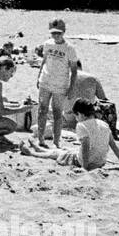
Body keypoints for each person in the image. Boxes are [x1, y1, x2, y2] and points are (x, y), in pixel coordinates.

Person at [22, 98, 119, 171]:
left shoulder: (82, 126)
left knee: (56, 154)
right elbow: (114, 146)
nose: (76, 119)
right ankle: (39, 148)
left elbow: (85, 147)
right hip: (100, 162)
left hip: (86, 162)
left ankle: (33, 153)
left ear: (80, 114)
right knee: (65, 150)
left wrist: (85, 169)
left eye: (76, 116)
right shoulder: (104, 124)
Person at [35, 18, 78, 149]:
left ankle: (56, 141)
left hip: (60, 83)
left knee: (57, 113)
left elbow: (74, 70)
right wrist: (38, 77)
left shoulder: (69, 48)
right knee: (42, 110)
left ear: (64, 32)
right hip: (46, 81)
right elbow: (44, 61)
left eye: (58, 33)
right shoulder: (47, 44)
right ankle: (41, 138)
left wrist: (71, 88)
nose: (56, 36)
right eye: (53, 33)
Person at [62, 60, 108, 130]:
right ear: (80, 66)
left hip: (68, 119)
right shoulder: (93, 78)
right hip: (89, 120)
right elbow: (104, 101)